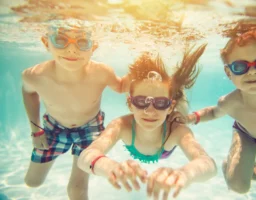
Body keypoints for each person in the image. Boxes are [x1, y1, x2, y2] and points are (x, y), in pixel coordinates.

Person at [77, 44, 217, 200]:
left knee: (181, 111)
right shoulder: (121, 125)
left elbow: (209, 164)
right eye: (141, 101)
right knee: (169, 96)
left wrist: (185, 174)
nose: (150, 111)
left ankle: (176, 96)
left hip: (169, 128)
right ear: (130, 104)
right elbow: (85, 157)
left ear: (169, 107)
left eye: (161, 103)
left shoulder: (177, 130)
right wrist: (110, 167)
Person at [182, 27, 256, 199]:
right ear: (229, 73)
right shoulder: (231, 102)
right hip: (247, 133)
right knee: (238, 186)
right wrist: (191, 118)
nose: (252, 71)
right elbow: (214, 113)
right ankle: (229, 166)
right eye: (240, 66)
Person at [22, 25, 130, 200]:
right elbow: (28, 92)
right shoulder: (35, 75)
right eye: (60, 40)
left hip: (90, 128)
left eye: (82, 42)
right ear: (45, 43)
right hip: (53, 128)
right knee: (33, 182)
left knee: (77, 190)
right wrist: (36, 128)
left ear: (93, 47)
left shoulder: (102, 72)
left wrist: (140, 70)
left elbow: (121, 86)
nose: (71, 49)